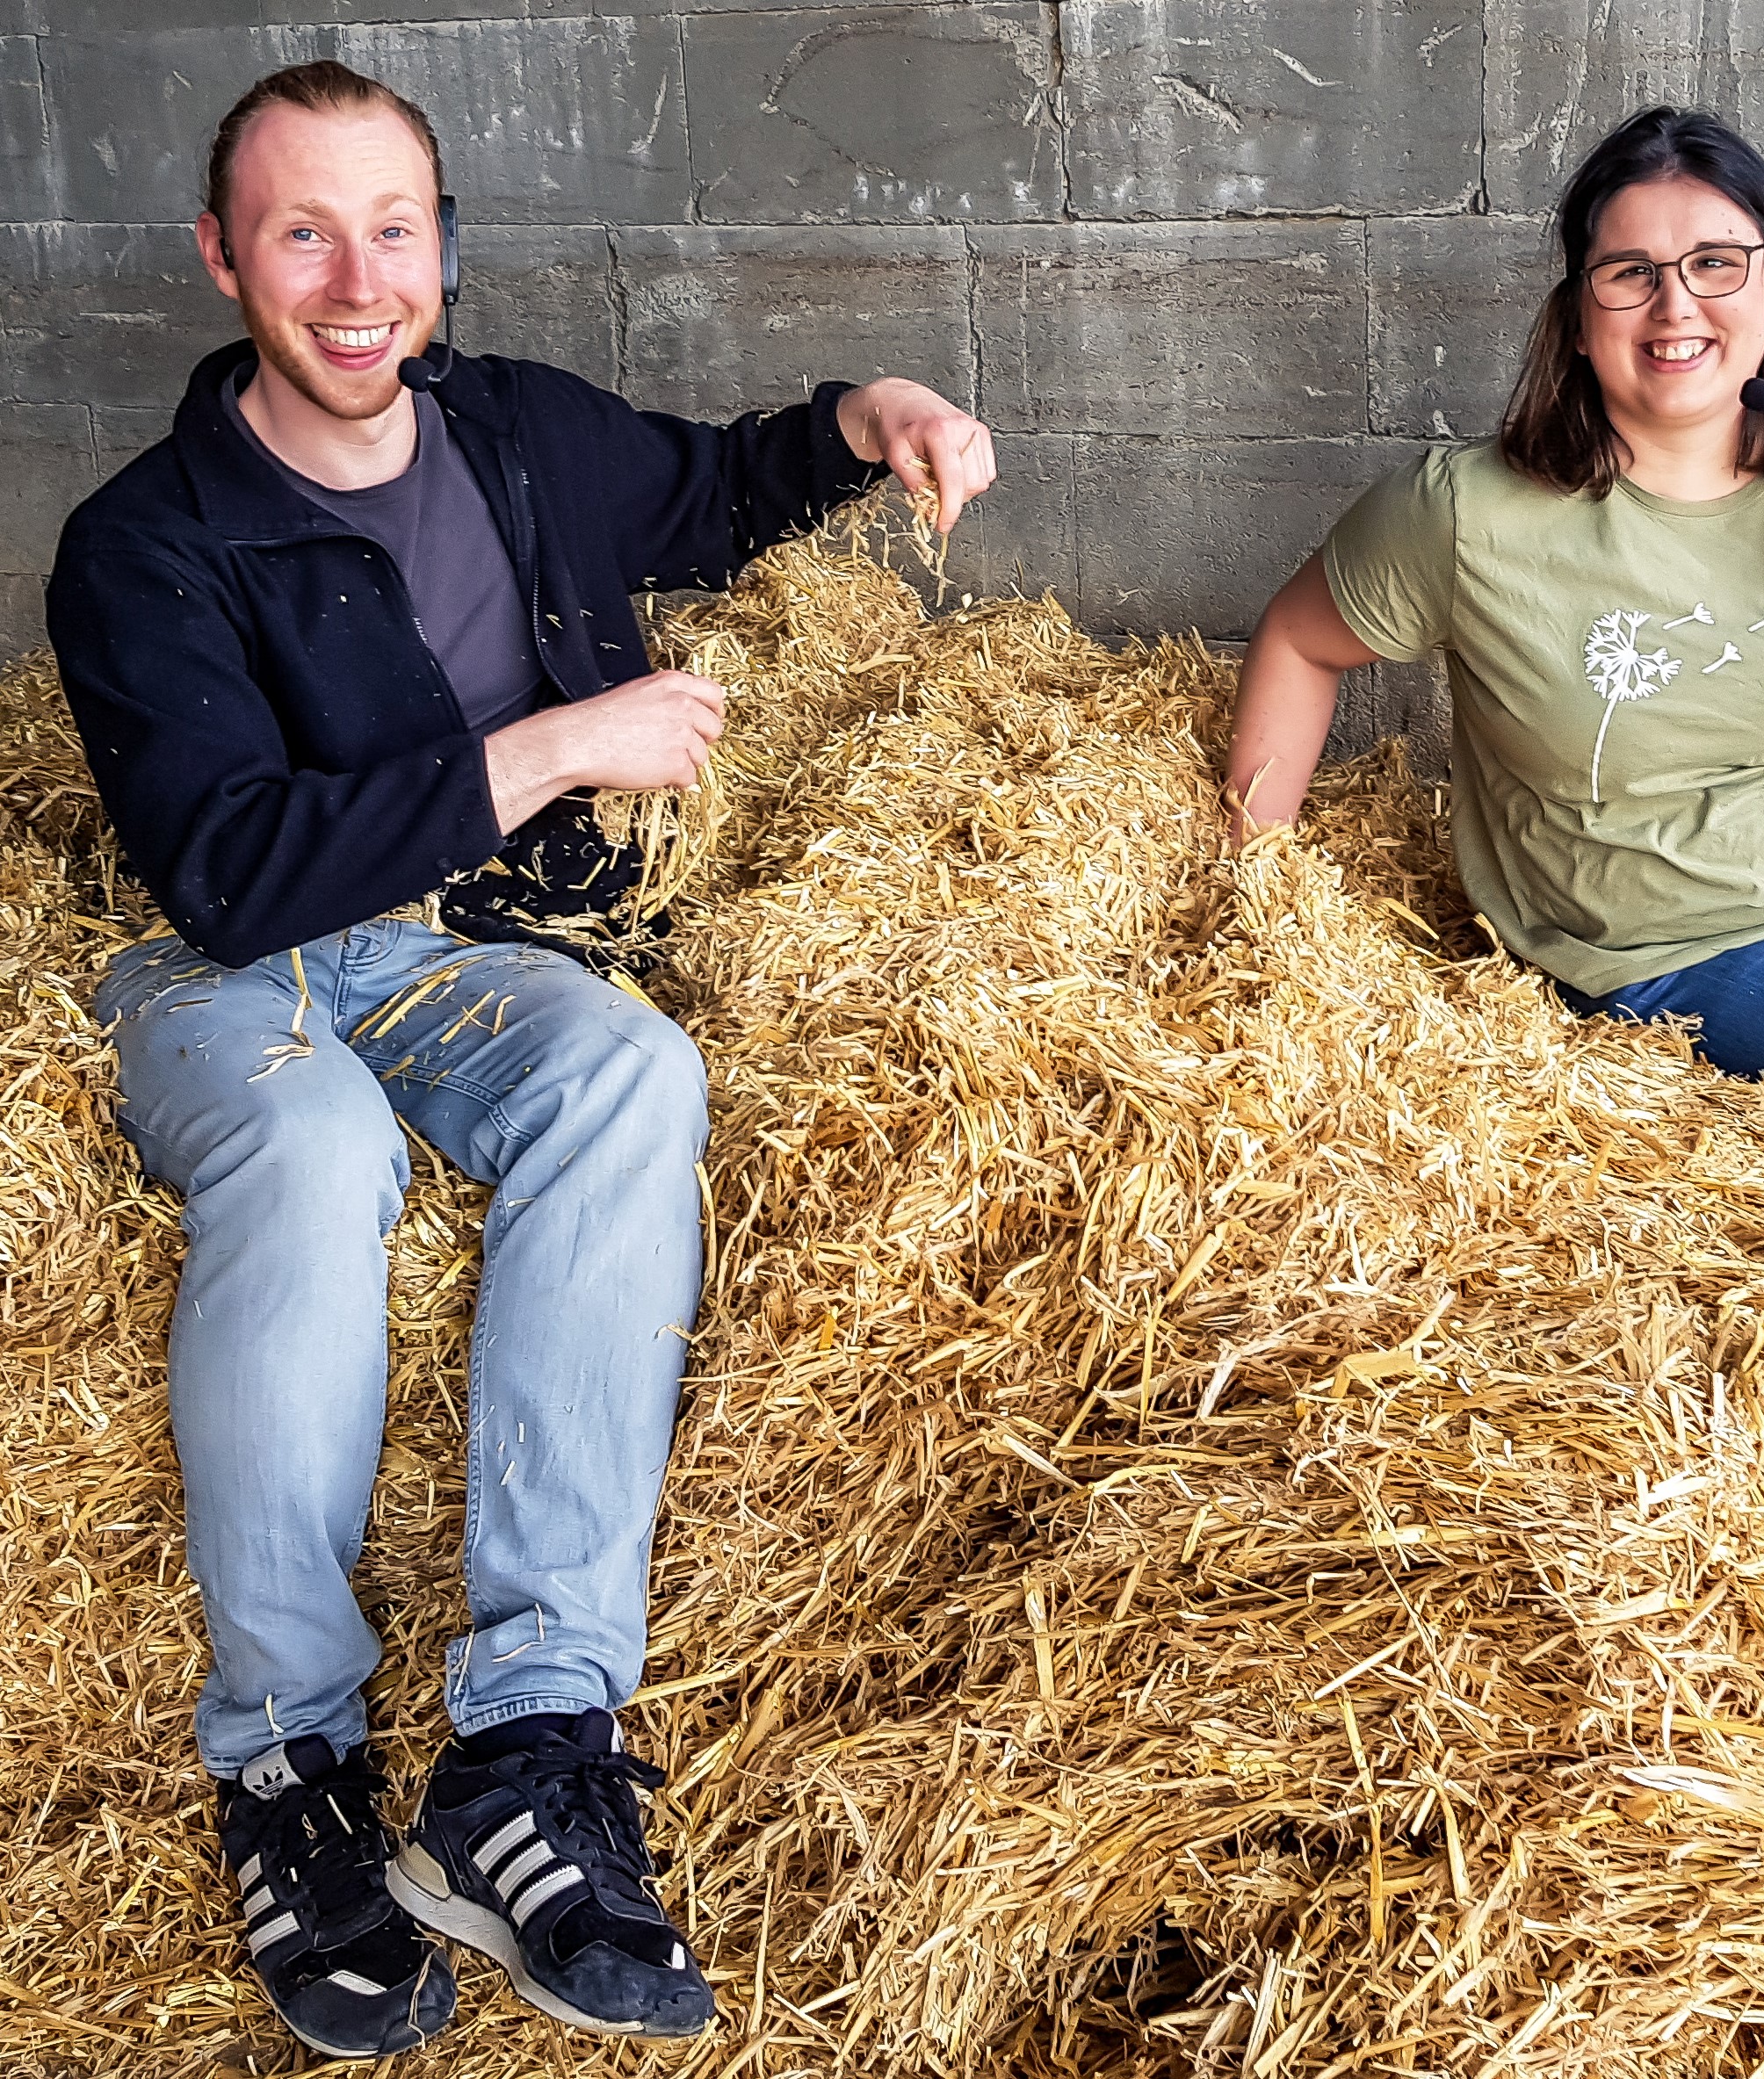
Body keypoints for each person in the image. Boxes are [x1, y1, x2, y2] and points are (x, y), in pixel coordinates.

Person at [46, 61, 995, 2058]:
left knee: (633, 1073)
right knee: (315, 1155)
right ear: (224, 257)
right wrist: (560, 746)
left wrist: (875, 412)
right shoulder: (144, 541)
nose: (356, 281)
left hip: (459, 952)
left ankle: (529, 1750)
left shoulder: (513, 429)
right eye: (303, 233)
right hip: (239, 967)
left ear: (443, 247)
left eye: (392, 229)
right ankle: (288, 1756)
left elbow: (718, 484)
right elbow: (230, 869)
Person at [1226, 104, 1764, 1321]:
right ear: (1578, 312)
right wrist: (1251, 887)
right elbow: (1301, 640)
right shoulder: (1467, 514)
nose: (1676, 305)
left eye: (1716, 263)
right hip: (1690, 931)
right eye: (1630, 272)